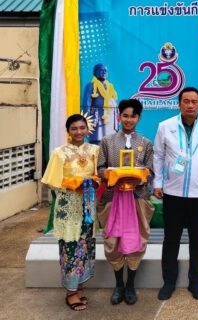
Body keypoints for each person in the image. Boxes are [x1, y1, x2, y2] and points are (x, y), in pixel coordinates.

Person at [154, 87, 198, 301]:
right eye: (186, 101)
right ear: (179, 104)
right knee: (171, 239)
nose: (190, 105)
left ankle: (195, 282)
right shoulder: (165, 126)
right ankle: (168, 282)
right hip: (173, 192)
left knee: (197, 239)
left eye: (194, 102)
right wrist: (158, 183)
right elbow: (158, 156)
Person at [97, 99, 155, 305]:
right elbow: (100, 168)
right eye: (125, 115)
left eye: (133, 116)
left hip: (137, 198)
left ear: (139, 118)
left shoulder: (146, 143)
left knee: (137, 240)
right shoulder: (107, 141)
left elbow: (150, 172)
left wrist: (138, 177)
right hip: (113, 198)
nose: (129, 120)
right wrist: (114, 175)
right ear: (119, 116)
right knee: (113, 241)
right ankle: (118, 285)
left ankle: (130, 284)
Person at [41, 114, 99, 311]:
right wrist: (72, 184)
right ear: (68, 131)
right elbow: (51, 181)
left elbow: (99, 175)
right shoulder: (60, 153)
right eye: (74, 128)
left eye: (82, 128)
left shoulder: (94, 150)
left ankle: (79, 286)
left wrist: (94, 181)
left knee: (85, 245)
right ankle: (70, 292)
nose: (78, 132)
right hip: (68, 206)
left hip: (88, 207)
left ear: (87, 129)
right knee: (70, 247)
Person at [82, 63, 118, 144]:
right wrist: (86, 123)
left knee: (109, 147)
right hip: (97, 124)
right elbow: (86, 106)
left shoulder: (110, 87)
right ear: (95, 72)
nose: (104, 72)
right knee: (97, 147)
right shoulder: (90, 86)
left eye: (106, 71)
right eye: (101, 70)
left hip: (110, 125)